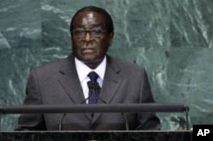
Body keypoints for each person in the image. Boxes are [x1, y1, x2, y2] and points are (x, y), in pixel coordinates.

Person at [15, 5, 160, 131]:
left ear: (110, 38)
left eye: (96, 32)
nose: (87, 39)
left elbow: (150, 131)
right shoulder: (43, 79)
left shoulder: (135, 77)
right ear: (71, 37)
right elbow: (25, 132)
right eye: (79, 32)